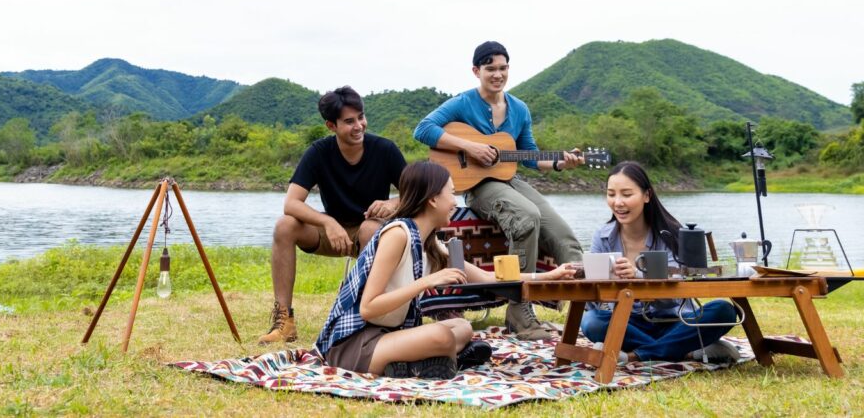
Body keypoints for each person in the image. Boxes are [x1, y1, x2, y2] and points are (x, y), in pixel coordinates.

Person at [315, 161, 577, 378]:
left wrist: (548, 275)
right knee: (441, 334)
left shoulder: (430, 243)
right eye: (450, 193)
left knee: (462, 327)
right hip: (355, 344)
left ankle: (432, 362)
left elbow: (489, 278)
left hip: (390, 335)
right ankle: (427, 364)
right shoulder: (398, 235)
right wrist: (428, 281)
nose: (454, 201)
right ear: (432, 199)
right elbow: (368, 307)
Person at [413, 40, 585, 340]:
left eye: (503, 68)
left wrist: (560, 165)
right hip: (477, 184)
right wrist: (470, 147)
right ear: (476, 71)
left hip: (510, 180)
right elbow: (423, 129)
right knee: (526, 217)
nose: (497, 74)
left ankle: (588, 310)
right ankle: (519, 312)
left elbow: (530, 156)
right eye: (490, 68)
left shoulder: (519, 109)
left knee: (563, 235)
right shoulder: (462, 103)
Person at [258, 86, 407, 345]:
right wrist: (327, 221)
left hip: (370, 231)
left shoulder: (385, 149)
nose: (359, 125)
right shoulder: (318, 152)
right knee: (285, 226)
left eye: (361, 117)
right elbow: (291, 203)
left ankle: (369, 318)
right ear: (331, 126)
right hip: (332, 232)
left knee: (371, 228)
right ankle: (284, 322)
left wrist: (393, 203)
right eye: (349, 121)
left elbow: (415, 195)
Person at [580, 161, 740, 363]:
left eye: (627, 195)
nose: (618, 202)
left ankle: (636, 355)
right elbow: (595, 301)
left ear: (647, 195)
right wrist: (587, 276)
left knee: (723, 310)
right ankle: (685, 350)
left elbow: (677, 293)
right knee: (592, 322)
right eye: (611, 194)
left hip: (674, 320)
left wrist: (637, 276)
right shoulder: (602, 237)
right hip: (627, 321)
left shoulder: (670, 233)